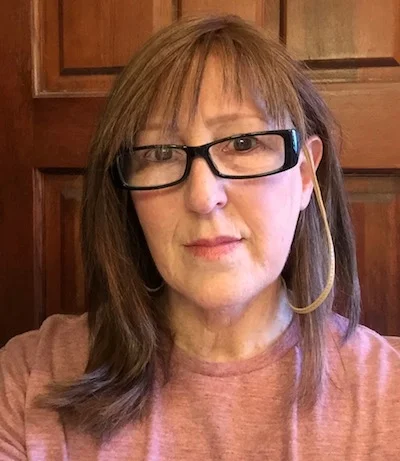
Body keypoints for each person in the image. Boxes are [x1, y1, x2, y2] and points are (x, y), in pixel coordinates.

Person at [1, 14, 400, 461]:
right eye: (161, 153)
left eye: (244, 144)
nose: (203, 197)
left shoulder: (390, 396)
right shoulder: (31, 381)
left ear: (305, 173)